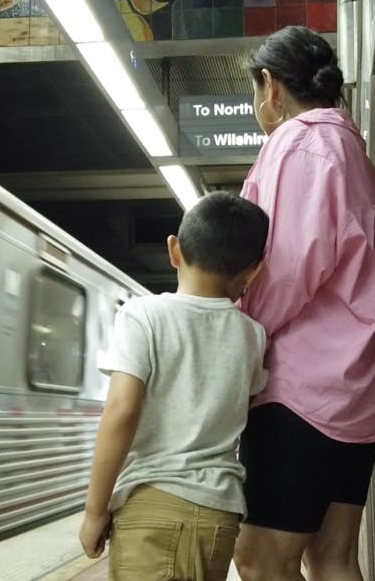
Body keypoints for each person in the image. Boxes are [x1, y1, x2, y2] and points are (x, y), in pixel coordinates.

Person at [233, 25, 375, 581]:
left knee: (263, 559)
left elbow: (289, 268)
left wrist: (237, 344)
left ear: (270, 86)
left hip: (304, 389)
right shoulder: (348, 146)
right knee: (331, 557)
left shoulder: (299, 142)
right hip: (359, 381)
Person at [78, 191, 271, 580]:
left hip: (153, 505)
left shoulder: (141, 316)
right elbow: (245, 402)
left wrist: (95, 510)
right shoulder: (253, 335)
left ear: (174, 250)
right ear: (254, 271)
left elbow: (121, 411)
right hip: (220, 513)